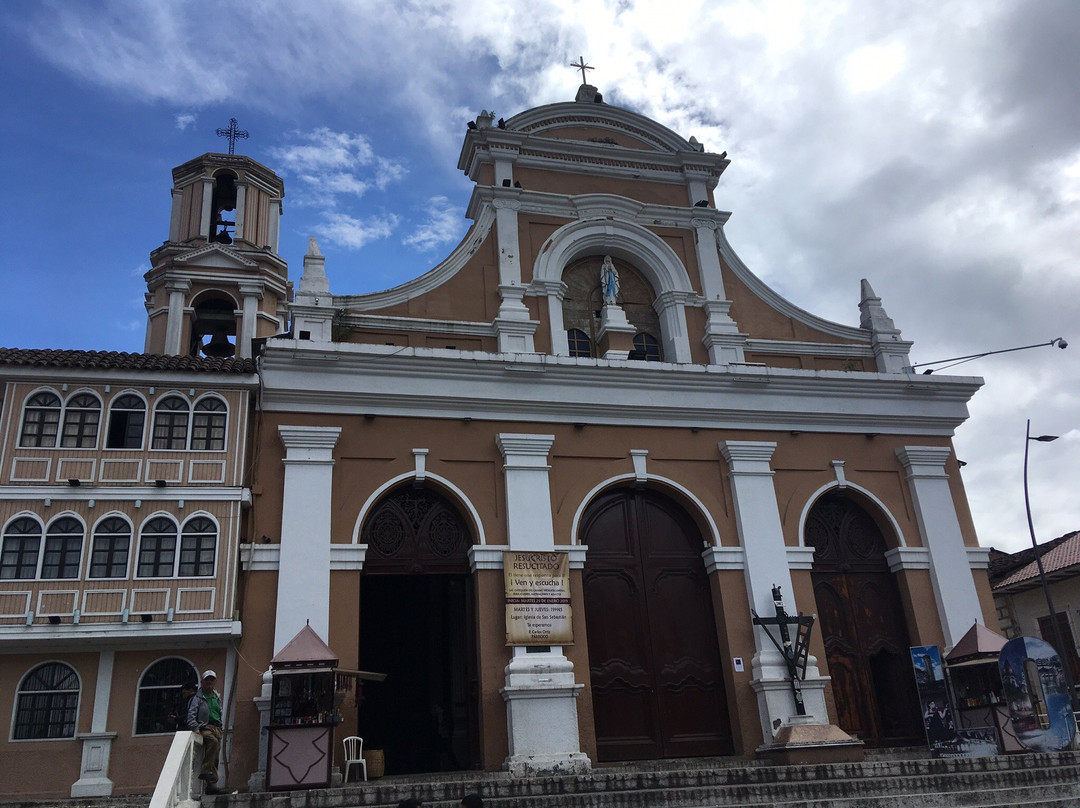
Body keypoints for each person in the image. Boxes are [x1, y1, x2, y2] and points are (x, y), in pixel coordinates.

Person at [187, 670, 224, 794]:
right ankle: (205, 771)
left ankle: (211, 785)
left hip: (217, 728)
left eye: (212, 679)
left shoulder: (216, 697)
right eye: (207, 680)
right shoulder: (198, 698)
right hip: (205, 727)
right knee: (212, 743)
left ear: (215, 681)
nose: (209, 682)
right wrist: (195, 728)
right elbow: (191, 714)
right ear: (202, 682)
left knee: (215, 756)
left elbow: (219, 712)